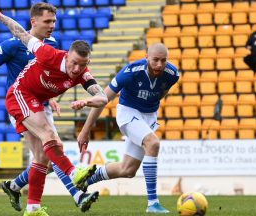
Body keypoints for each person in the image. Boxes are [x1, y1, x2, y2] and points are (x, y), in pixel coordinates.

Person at [0, 2, 99, 214]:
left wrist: (52, 95)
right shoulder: (13, 44)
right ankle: (77, 194)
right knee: (50, 145)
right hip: (20, 101)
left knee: (44, 157)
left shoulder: (52, 45)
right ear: (33, 21)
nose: (52, 25)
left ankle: (19, 190)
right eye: (47, 21)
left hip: (41, 102)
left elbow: (57, 75)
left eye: (54, 21)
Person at [77, 43, 179, 213]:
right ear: (146, 57)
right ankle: (153, 203)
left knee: (128, 169)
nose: (160, 65)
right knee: (153, 143)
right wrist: (85, 130)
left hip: (149, 117)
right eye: (155, 60)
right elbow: (103, 99)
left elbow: (162, 92)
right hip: (128, 113)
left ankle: (86, 180)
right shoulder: (131, 71)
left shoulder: (172, 74)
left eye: (163, 61)